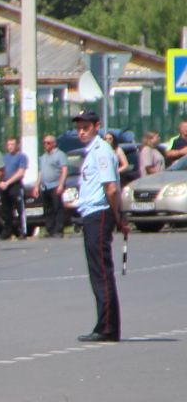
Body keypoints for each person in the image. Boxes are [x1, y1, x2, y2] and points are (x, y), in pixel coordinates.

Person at [71, 109, 126, 342]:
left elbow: (111, 188)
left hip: (99, 213)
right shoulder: (92, 150)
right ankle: (105, 324)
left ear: (97, 125)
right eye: (79, 127)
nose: (81, 131)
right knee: (98, 271)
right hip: (92, 213)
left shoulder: (101, 150)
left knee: (101, 272)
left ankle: (107, 328)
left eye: (86, 127)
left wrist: (119, 217)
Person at [35, 134, 70, 238]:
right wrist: (36, 186)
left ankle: (59, 229)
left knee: (57, 207)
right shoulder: (43, 157)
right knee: (48, 209)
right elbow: (41, 172)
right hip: (45, 186)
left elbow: (64, 170)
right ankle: (50, 229)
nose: (46, 145)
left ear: (54, 144)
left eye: (48, 143)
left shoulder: (60, 155)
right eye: (44, 143)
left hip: (55, 185)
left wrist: (61, 184)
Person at [0, 136, 29, 239]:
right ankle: (7, 231)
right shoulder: (4, 157)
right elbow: (0, 171)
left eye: (12, 144)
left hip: (15, 185)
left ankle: (22, 231)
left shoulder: (22, 157)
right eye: (8, 145)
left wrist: (8, 182)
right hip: (4, 186)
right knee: (5, 210)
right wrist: (1, 182)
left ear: (17, 145)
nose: (10, 147)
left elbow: (20, 172)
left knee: (20, 208)